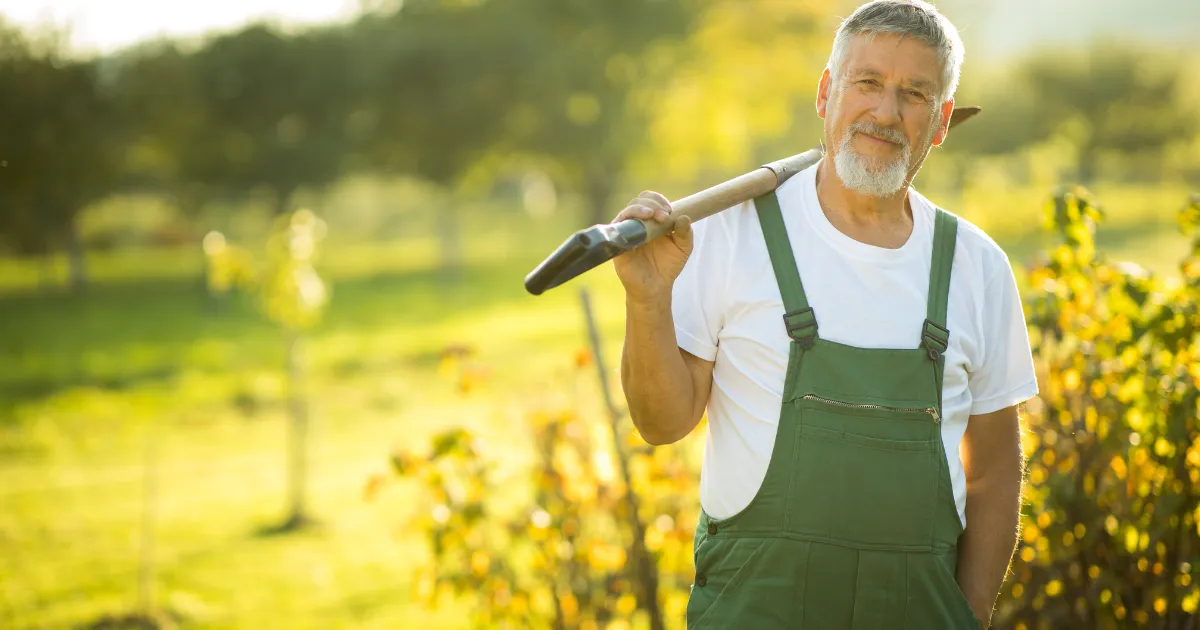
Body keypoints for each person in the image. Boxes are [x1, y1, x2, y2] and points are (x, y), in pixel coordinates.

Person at [614, 1, 1037, 627]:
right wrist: (647, 300)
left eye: (914, 94)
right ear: (825, 92)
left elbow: (996, 474)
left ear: (943, 121)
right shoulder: (732, 234)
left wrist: (965, 617)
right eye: (866, 83)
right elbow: (661, 423)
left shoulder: (977, 267)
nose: (885, 112)